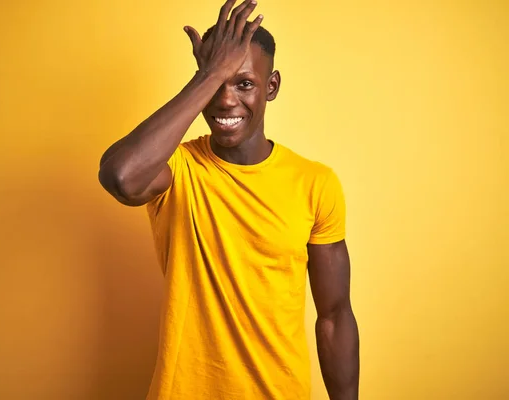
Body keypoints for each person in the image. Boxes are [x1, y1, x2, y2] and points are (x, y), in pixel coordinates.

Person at [98, 0, 359, 398]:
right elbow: (121, 177)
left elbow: (335, 316)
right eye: (216, 84)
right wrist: (209, 73)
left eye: (244, 83)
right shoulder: (178, 169)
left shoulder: (315, 183)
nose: (225, 100)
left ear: (271, 87)